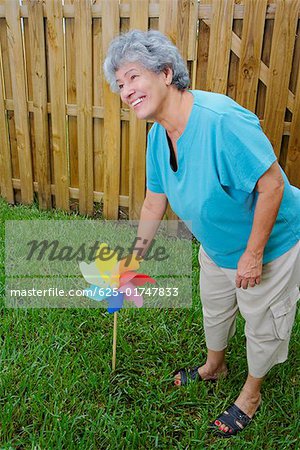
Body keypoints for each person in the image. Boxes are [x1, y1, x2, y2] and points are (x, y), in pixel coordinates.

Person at [104, 29, 300, 438]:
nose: (126, 90)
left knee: (261, 323)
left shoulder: (221, 121)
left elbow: (273, 185)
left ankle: (251, 392)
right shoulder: (158, 135)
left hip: (269, 245)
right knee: (215, 309)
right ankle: (215, 366)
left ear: (166, 72)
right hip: (216, 246)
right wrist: (133, 259)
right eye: (121, 84)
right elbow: (154, 201)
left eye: (134, 76)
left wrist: (253, 253)